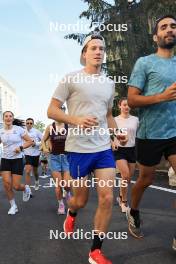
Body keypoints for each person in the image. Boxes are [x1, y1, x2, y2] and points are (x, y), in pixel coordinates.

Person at [47, 33, 127, 264]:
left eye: (101, 48)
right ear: (84, 54)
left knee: (106, 197)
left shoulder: (109, 83)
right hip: (79, 150)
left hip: (102, 149)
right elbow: (51, 111)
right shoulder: (70, 79)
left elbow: (108, 115)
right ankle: (71, 213)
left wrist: (115, 132)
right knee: (80, 200)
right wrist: (76, 120)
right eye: (93, 48)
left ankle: (95, 252)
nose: (98, 51)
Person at [127, 15, 176, 243]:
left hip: (174, 132)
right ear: (156, 36)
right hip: (150, 133)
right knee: (145, 179)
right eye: (164, 27)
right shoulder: (145, 63)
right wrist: (162, 97)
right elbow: (133, 100)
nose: (169, 30)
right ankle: (134, 211)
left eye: (173, 26)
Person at [0, 111, 33, 215]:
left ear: (13, 118)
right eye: (6, 116)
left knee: (16, 186)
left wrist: (21, 147)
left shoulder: (19, 130)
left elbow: (30, 141)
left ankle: (25, 188)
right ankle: (13, 206)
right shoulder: (0, 131)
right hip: (5, 159)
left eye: (10, 116)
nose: (8, 118)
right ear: (3, 118)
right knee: (6, 183)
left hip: (17, 159)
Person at [42, 106, 71, 215]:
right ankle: (61, 204)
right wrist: (44, 148)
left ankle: (67, 193)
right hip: (54, 158)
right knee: (58, 184)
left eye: (61, 112)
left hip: (67, 158)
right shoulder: (50, 127)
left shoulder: (69, 126)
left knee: (67, 184)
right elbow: (43, 140)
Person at [114, 98, 139, 213]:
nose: (126, 107)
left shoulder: (135, 120)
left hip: (132, 150)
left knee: (128, 178)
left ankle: (120, 196)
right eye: (124, 105)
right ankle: (124, 202)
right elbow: (108, 134)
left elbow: (138, 134)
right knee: (125, 175)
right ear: (119, 106)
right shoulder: (115, 120)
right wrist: (112, 143)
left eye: (128, 105)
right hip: (119, 150)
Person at [24, 118, 43, 191]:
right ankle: (28, 189)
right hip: (27, 153)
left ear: (33, 124)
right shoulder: (23, 132)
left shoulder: (37, 132)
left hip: (35, 154)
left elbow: (43, 140)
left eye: (31, 123)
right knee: (28, 171)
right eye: (27, 123)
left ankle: (37, 181)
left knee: (35, 171)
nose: (29, 124)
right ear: (26, 124)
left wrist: (36, 143)